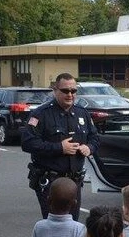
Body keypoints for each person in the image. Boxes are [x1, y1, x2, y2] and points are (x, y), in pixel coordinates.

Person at [22, 73, 100, 219]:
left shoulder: (82, 114)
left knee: (73, 224)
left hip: (74, 182)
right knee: (53, 225)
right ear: (55, 90)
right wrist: (59, 148)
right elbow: (28, 143)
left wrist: (89, 147)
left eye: (73, 91)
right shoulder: (41, 114)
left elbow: (95, 138)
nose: (70, 94)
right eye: (65, 91)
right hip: (51, 182)